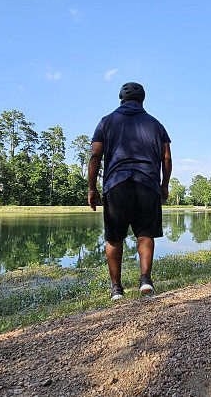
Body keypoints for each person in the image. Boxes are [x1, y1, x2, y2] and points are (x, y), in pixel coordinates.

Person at [87, 82, 172, 301]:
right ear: (143, 99)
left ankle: (116, 288)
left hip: (116, 184)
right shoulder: (156, 124)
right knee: (145, 233)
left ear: (120, 98)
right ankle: (145, 280)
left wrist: (92, 188)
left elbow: (95, 155)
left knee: (114, 238)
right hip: (148, 183)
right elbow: (167, 158)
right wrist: (164, 186)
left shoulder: (106, 121)